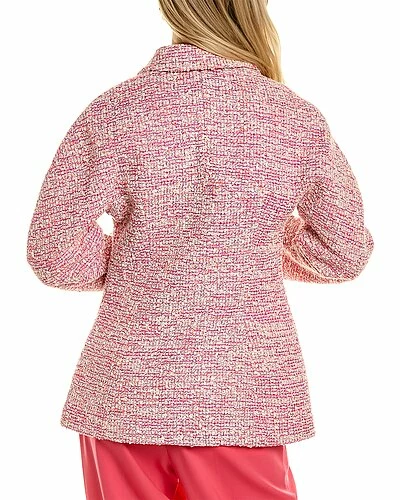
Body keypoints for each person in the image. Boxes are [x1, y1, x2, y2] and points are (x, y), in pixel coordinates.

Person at [26, 0, 374, 499]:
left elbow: (53, 251)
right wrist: (250, 241)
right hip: (241, 397)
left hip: (123, 393)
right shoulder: (292, 117)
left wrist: (145, 259)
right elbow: (343, 251)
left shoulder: (114, 111)